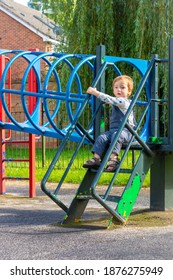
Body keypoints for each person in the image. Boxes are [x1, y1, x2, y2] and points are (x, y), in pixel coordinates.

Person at [83, 75, 135, 172]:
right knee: (102, 137)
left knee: (117, 135)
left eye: (122, 87)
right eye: (116, 87)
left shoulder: (124, 102)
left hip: (127, 132)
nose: (118, 90)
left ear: (129, 91)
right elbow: (110, 100)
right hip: (114, 131)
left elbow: (110, 99)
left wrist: (95, 92)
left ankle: (113, 159)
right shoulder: (117, 101)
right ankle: (96, 158)